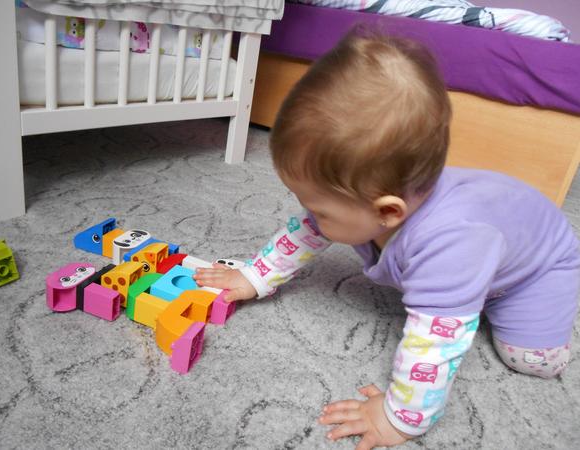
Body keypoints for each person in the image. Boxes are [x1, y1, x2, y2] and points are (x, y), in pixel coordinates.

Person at [193, 26, 580, 448]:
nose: (309, 216)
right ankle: (470, 289)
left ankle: (493, 295)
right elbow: (305, 233)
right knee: (446, 285)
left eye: (319, 210)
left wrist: (400, 419)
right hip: (492, 235)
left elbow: (435, 344)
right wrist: (254, 276)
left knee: (530, 360)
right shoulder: (372, 204)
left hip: (539, 269)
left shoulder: (450, 242)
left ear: (388, 212)